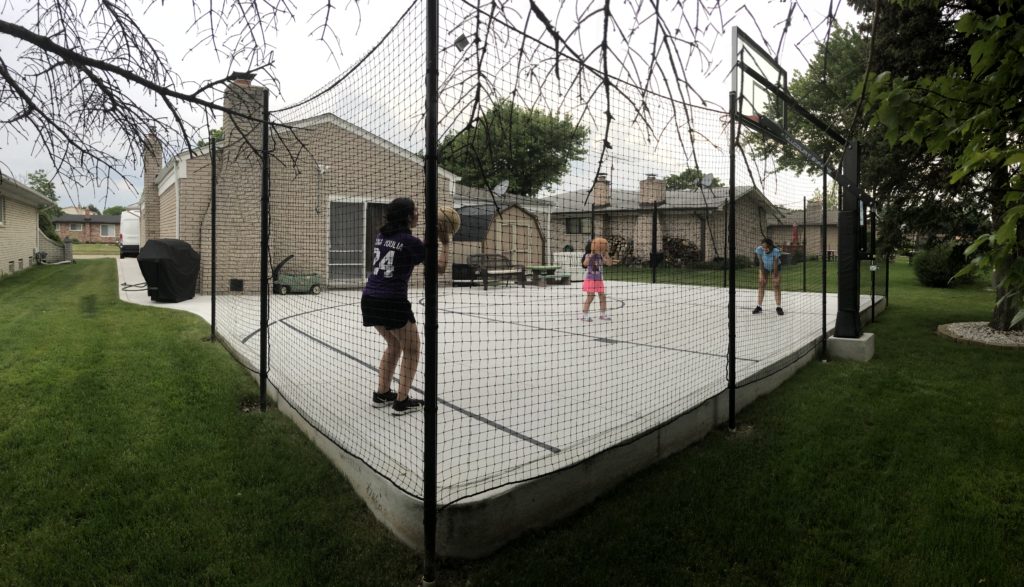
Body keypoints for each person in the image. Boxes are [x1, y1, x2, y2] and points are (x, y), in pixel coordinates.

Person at [361, 197, 449, 415]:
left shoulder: (382, 236)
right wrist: (445, 242)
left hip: (369, 298)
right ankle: (402, 402)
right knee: (412, 348)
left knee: (394, 345)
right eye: (416, 211)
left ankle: (382, 394)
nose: (418, 214)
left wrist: (427, 242)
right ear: (408, 216)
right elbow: (439, 268)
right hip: (391, 301)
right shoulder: (411, 243)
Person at [579, 236, 617, 322]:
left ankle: (603, 315)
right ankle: (584, 315)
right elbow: (585, 264)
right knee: (590, 297)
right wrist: (592, 254)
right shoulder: (588, 255)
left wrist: (606, 254)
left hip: (599, 280)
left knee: (602, 297)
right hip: (590, 279)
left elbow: (609, 264)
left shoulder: (600, 256)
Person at [753, 237, 784, 316]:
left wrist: (775, 276)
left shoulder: (775, 251)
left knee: (776, 284)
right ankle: (759, 306)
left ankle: (778, 307)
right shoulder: (759, 250)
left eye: (766, 247)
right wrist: (763, 275)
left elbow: (775, 264)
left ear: (770, 246)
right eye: (763, 247)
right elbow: (760, 262)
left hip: (775, 267)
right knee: (761, 283)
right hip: (765, 266)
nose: (765, 249)